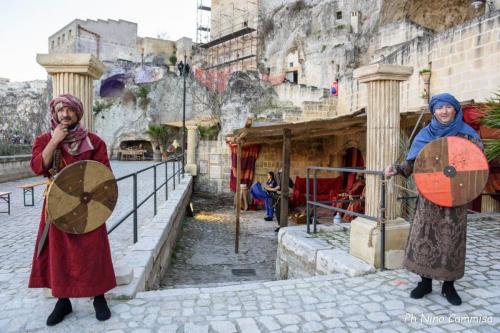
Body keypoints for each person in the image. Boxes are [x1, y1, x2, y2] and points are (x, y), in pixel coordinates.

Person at [385, 93, 482, 306]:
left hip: (456, 197)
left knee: (451, 241)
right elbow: (412, 163)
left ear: (455, 109)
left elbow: (477, 166)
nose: (444, 111)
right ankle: (425, 282)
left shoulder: (468, 135)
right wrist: (397, 169)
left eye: (448, 107)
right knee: (425, 238)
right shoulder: (425, 135)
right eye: (439, 108)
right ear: (434, 111)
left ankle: (449, 286)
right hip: (429, 196)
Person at [29, 94, 116, 326]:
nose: (65, 115)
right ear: (55, 114)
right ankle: (63, 300)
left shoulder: (95, 142)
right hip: (58, 206)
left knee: (92, 251)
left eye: (69, 111)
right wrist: (54, 141)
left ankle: (98, 296)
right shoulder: (44, 139)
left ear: (78, 113)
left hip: (88, 206)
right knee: (60, 254)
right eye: (60, 111)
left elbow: (104, 177)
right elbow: (38, 167)